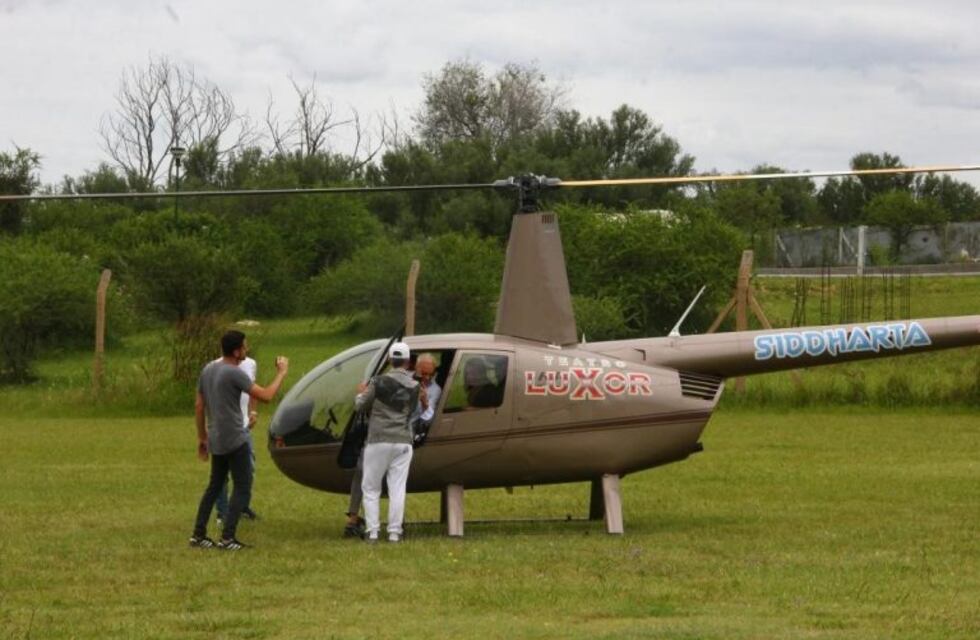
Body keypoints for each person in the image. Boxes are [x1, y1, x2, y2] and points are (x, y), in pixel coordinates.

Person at [189, 330, 288, 550]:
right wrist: (281, 373)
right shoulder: (234, 372)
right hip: (236, 437)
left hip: (216, 437)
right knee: (243, 486)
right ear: (236, 351)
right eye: (244, 347)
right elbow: (266, 396)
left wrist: (202, 437)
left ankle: (198, 535)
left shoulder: (208, 370)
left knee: (214, 486)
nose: (246, 349)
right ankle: (227, 538)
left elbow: (198, 405)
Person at [354, 341, 424, 544]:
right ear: (408, 361)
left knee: (371, 488)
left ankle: (372, 532)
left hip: (378, 439)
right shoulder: (415, 385)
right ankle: (394, 533)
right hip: (403, 440)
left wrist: (360, 393)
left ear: (389, 360)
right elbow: (412, 412)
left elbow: (360, 405)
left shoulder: (378, 381)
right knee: (397, 488)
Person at [215, 355, 258, 527]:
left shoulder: (251, 364)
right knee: (222, 473)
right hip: (225, 428)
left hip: (244, 426)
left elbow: (253, 389)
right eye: (243, 346)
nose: (246, 350)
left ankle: (241, 506)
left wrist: (253, 412)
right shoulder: (214, 367)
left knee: (248, 468)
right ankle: (223, 512)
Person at [411, 353, 442, 445]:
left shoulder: (435, 389)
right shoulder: (405, 379)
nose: (428, 378)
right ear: (416, 368)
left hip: (409, 435)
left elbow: (427, 422)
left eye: (431, 374)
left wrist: (424, 402)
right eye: (424, 373)